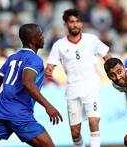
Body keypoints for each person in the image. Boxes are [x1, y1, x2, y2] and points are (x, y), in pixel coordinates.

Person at [0, 23, 62, 147]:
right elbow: (27, 82)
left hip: (2, 112)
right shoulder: (35, 60)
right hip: (20, 115)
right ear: (32, 40)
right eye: (40, 34)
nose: (43, 37)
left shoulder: (12, 57)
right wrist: (48, 106)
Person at [45, 9, 111, 147]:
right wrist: (49, 71)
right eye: (71, 22)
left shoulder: (91, 39)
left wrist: (114, 71)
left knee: (94, 122)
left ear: (81, 23)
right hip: (72, 91)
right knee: (75, 134)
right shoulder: (59, 45)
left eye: (77, 21)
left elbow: (107, 58)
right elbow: (50, 66)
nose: (75, 25)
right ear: (66, 25)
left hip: (91, 88)